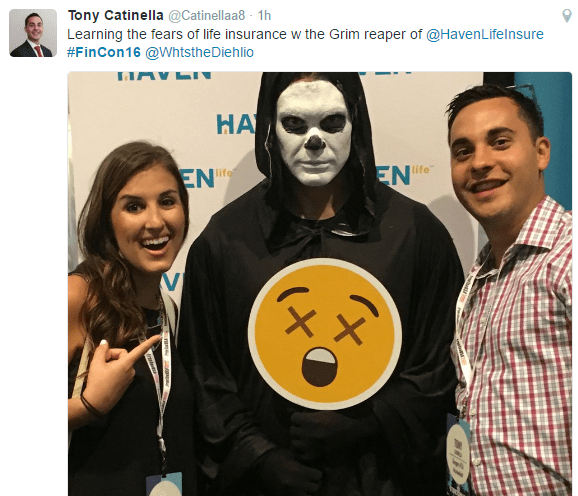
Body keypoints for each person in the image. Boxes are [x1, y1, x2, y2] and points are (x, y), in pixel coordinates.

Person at [178, 73, 464, 495]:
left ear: (355, 124)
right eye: (294, 124)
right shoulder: (225, 241)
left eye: (332, 122)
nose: (314, 141)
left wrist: (369, 423)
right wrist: (259, 457)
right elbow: (205, 375)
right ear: (269, 128)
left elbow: (441, 363)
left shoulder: (414, 233)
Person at [447, 85, 572, 494]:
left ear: (541, 152)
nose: (480, 162)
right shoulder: (481, 274)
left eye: (500, 142)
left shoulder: (569, 256)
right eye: (463, 151)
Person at [68, 141, 197, 495]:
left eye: (167, 201)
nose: (155, 222)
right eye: (134, 207)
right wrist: (89, 406)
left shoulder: (168, 309)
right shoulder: (77, 297)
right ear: (106, 221)